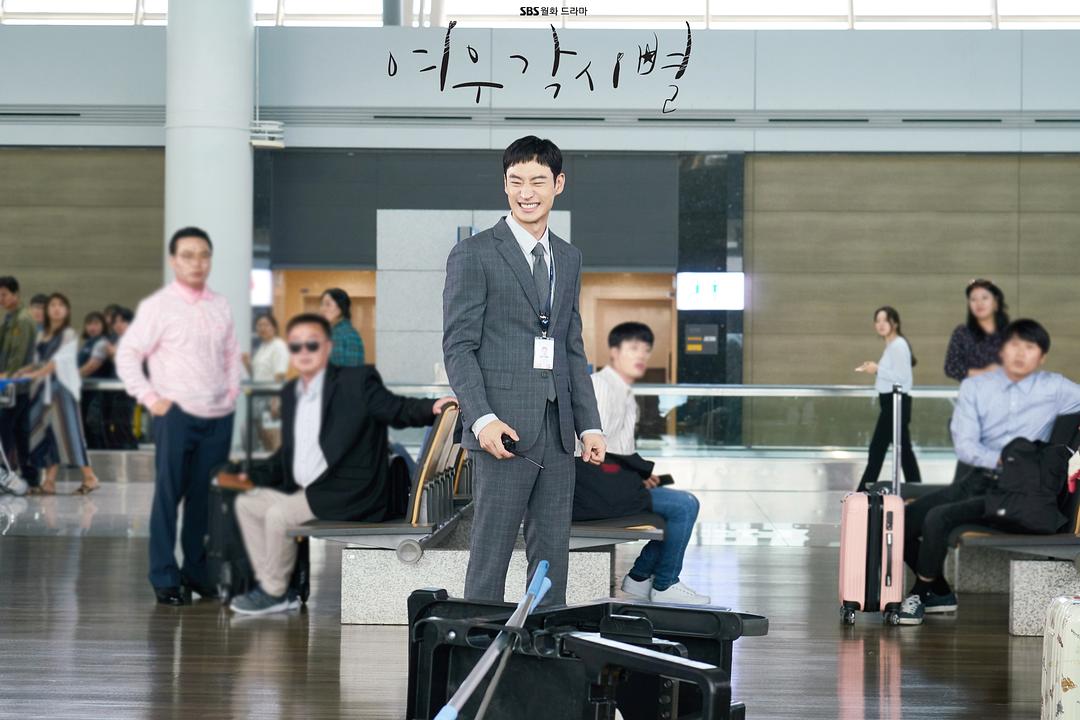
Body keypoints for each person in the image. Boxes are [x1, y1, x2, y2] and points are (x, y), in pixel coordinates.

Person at [443, 135, 606, 606]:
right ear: (505, 185)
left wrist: (589, 424)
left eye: (537, 181)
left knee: (552, 555)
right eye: (516, 181)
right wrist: (482, 419)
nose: (526, 192)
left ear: (559, 184)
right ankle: (478, 642)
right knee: (490, 554)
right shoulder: (474, 254)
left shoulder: (568, 257)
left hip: (558, 431)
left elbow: (571, 347)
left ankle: (544, 642)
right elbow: (458, 347)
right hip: (503, 431)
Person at [229, 313, 454, 615]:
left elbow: (395, 408)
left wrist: (430, 407)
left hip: (350, 491)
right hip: (311, 491)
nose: (304, 352)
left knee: (277, 514)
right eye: (296, 346)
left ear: (327, 347)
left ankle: (274, 592)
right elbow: (287, 456)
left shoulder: (356, 381)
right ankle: (281, 585)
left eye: (312, 344)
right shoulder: (290, 394)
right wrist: (248, 474)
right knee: (247, 505)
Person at [897, 319, 1080, 626]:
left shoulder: (1056, 387)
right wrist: (1004, 459)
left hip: (1017, 490)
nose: (1020, 353)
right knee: (903, 520)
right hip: (979, 478)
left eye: (1030, 347)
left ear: (1042, 357)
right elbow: (966, 446)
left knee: (938, 517)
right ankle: (938, 591)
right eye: (1014, 344)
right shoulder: (976, 388)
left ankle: (920, 592)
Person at [116, 227, 242, 607]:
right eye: (188, 255)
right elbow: (127, 354)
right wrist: (150, 398)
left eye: (203, 255)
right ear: (174, 261)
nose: (197, 263)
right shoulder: (159, 306)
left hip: (218, 417)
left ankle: (196, 570)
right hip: (176, 415)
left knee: (205, 499)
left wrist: (231, 394)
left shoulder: (220, 304)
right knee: (169, 495)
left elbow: (231, 354)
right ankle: (164, 575)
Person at [583, 322, 710, 605]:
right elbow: (595, 449)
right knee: (684, 506)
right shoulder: (600, 387)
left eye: (645, 350)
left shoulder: (622, 391)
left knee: (676, 502)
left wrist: (640, 476)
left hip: (610, 482)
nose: (641, 355)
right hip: (594, 489)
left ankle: (640, 577)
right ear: (614, 352)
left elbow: (620, 450)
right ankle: (664, 583)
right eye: (633, 348)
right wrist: (636, 474)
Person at [16, 293, 100, 495]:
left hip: (62, 391)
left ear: (67, 310)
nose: (56, 308)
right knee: (48, 435)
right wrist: (19, 372)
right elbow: (36, 361)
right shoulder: (42, 335)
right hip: (43, 391)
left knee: (70, 433)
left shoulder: (69, 334)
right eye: (52, 305)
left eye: (61, 305)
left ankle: (90, 477)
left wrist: (33, 374)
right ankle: (49, 482)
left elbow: (56, 362)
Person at [854, 306, 923, 492]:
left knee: (877, 449)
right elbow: (894, 374)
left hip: (895, 403)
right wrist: (876, 368)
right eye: (877, 321)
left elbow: (902, 377)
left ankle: (862, 494)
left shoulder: (898, 345)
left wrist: (876, 369)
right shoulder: (893, 346)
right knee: (903, 451)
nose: (881, 324)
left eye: (885, 320)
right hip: (892, 403)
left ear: (895, 323)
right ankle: (916, 491)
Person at [0, 276, 41, 491]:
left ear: (16, 294)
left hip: (14, 385)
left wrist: (6, 377)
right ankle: (30, 477)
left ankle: (6, 475)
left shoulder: (23, 320)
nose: (1, 299)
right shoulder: (10, 318)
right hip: (13, 385)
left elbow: (18, 355)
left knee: (5, 429)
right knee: (19, 432)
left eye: (4, 294)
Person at [944, 279, 1009, 382]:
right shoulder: (962, 332)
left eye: (984, 298)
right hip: (973, 390)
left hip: (1008, 389)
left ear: (996, 302)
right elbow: (950, 367)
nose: (979, 303)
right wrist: (984, 372)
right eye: (973, 299)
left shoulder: (1011, 332)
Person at [242, 313, 289, 451]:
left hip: (271, 397)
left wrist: (275, 400)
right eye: (259, 325)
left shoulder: (278, 345)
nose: (262, 328)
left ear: (274, 327)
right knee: (262, 437)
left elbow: (280, 374)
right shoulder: (262, 347)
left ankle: (278, 464)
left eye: (266, 325)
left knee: (273, 439)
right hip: (258, 397)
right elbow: (257, 376)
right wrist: (247, 364)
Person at [78, 311, 113, 449]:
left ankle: (99, 454)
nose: (92, 327)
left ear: (103, 326)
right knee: (85, 426)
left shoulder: (103, 343)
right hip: (85, 392)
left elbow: (92, 366)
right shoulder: (86, 344)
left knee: (94, 425)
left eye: (96, 324)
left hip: (98, 394)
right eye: (89, 324)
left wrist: (72, 376)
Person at [105, 308, 138, 450]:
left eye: (123, 321)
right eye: (115, 322)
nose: (118, 325)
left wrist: (114, 353)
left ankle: (129, 449)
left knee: (123, 421)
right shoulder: (113, 339)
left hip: (128, 386)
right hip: (114, 386)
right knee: (114, 421)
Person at [319, 288, 364, 367]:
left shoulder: (338, 333)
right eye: (322, 304)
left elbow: (342, 372)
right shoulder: (349, 331)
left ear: (341, 307)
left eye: (328, 304)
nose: (322, 309)